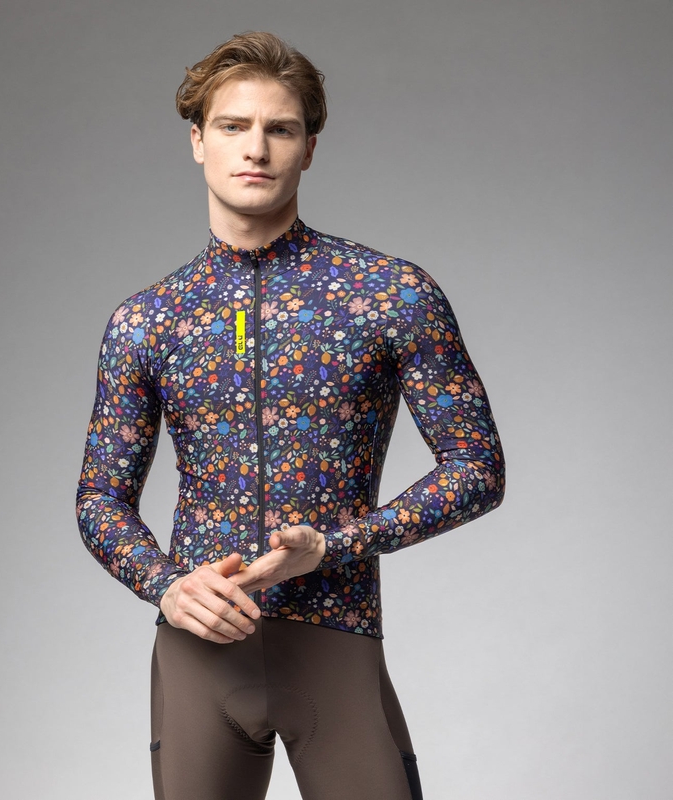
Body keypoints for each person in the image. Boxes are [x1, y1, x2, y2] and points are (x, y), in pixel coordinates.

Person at [76, 31, 505, 800]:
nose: (256, 148)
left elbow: (478, 468)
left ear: (309, 148)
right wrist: (164, 584)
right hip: (198, 653)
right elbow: (99, 497)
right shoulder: (148, 321)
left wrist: (336, 545)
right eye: (233, 126)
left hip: (336, 638)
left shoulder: (390, 295)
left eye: (280, 128)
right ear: (198, 141)